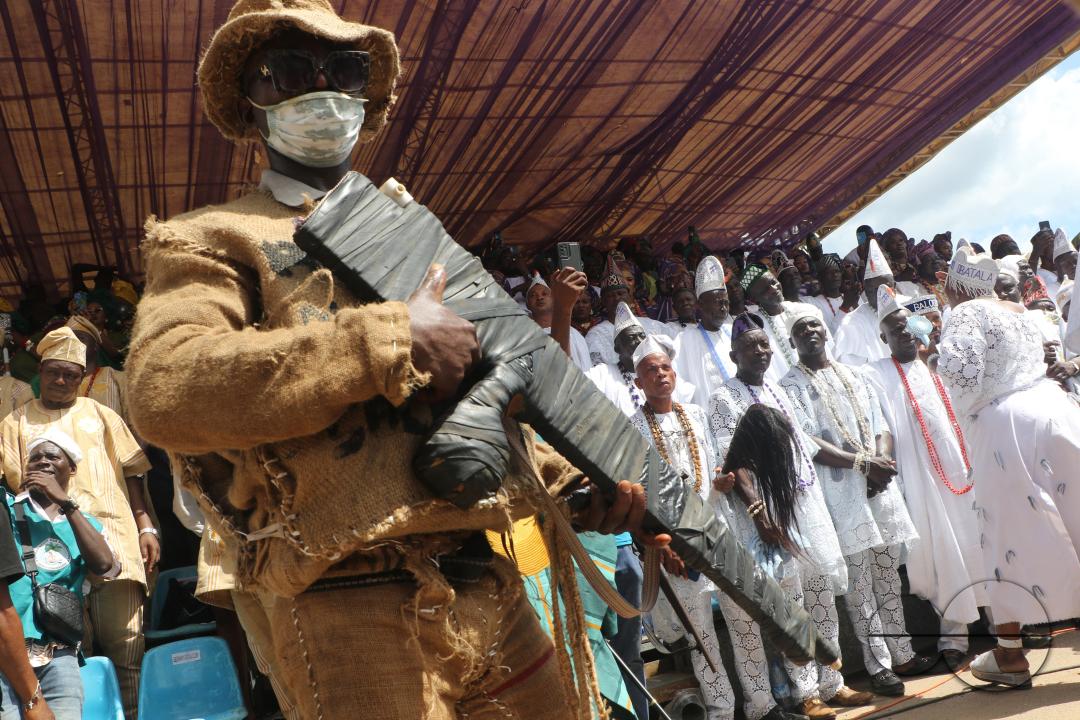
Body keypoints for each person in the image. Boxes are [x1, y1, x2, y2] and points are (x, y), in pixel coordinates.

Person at [126, 4, 658, 716]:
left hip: (487, 579)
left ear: (364, 96)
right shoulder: (213, 239)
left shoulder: (417, 234)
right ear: (252, 107)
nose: (319, 89)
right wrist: (387, 340)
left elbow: (499, 390)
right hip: (348, 600)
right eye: (286, 72)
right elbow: (164, 388)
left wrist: (574, 491)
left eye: (342, 70)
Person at [628, 337, 805, 720]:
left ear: (674, 373)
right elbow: (640, 494)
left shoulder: (694, 414)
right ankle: (722, 712)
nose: (659, 374)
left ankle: (761, 706)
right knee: (701, 636)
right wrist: (666, 545)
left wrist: (720, 482)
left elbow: (712, 470)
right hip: (676, 543)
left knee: (743, 621)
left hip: (716, 531)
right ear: (638, 382)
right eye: (649, 371)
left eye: (664, 368)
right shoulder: (632, 428)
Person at [708, 319, 870, 716]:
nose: (761, 352)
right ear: (734, 356)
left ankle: (834, 683)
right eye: (751, 347)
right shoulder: (724, 399)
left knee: (820, 593)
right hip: (767, 510)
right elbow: (734, 461)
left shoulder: (777, 389)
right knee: (791, 604)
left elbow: (803, 445)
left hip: (804, 505)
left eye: (765, 345)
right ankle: (806, 693)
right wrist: (758, 512)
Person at [937, 246, 1080, 688]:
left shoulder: (963, 314)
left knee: (1004, 536)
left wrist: (936, 365)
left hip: (1007, 426)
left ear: (955, 288)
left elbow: (960, 378)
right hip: (1057, 410)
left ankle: (1011, 656)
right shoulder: (1018, 310)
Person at [0, 327, 155, 719]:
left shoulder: (101, 414)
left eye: (72, 374)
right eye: (54, 371)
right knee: (67, 655)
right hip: (44, 560)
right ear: (41, 370)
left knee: (126, 648)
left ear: (82, 376)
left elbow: (135, 473)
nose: (62, 380)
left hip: (110, 539)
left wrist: (146, 525)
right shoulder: (14, 422)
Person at [779, 304, 933, 695]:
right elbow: (807, 441)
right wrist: (864, 464)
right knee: (860, 584)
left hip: (878, 486)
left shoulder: (856, 373)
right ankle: (879, 664)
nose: (811, 331)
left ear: (826, 332)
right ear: (792, 341)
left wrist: (880, 460)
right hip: (840, 494)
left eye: (815, 324)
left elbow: (881, 423)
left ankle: (903, 653)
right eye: (801, 329)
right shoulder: (790, 386)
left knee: (886, 575)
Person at [863, 298, 984, 668]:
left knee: (980, 542)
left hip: (964, 473)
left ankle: (1009, 624)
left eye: (908, 325)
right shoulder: (876, 373)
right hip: (921, 482)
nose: (904, 334)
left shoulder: (939, 365)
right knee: (942, 553)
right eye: (894, 330)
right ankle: (954, 637)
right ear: (883, 338)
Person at [0, 430, 119, 720]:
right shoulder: (8, 509)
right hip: (9, 651)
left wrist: (65, 502)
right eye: (35, 458)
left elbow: (106, 566)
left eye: (53, 456)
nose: (43, 462)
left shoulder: (84, 523)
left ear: (72, 469)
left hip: (59, 652)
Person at [740, 264, 831, 385]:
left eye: (773, 282)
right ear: (754, 298)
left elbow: (829, 349)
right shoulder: (755, 327)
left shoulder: (806, 310)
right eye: (765, 290)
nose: (773, 289)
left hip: (825, 378)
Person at [673, 257, 735, 409]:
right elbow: (680, 385)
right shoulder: (684, 339)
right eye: (718, 303)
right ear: (700, 304)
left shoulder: (733, 332)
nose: (723, 308)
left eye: (726, 303)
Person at [587, 255, 667, 366]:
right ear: (603, 301)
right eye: (611, 296)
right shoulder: (596, 334)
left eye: (621, 293)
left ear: (629, 295)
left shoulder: (652, 325)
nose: (617, 298)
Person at [834, 238, 895, 366]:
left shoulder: (909, 306)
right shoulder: (851, 323)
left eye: (886, 286)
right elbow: (847, 363)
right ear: (866, 291)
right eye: (875, 289)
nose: (881, 293)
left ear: (894, 285)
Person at [525, 270, 592, 373]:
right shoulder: (527, 337)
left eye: (544, 293)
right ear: (527, 304)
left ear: (554, 299)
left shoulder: (574, 333)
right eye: (533, 295)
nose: (539, 297)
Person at [803, 253, 845, 333]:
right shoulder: (813, 303)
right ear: (820, 278)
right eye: (829, 272)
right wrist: (845, 307)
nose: (835, 275)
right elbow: (830, 335)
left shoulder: (852, 296)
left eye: (837, 271)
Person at [1028, 228, 1061, 301]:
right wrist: (1035, 253)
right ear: (1040, 250)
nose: (1056, 247)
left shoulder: (1068, 267)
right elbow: (1028, 288)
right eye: (1051, 244)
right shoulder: (1038, 274)